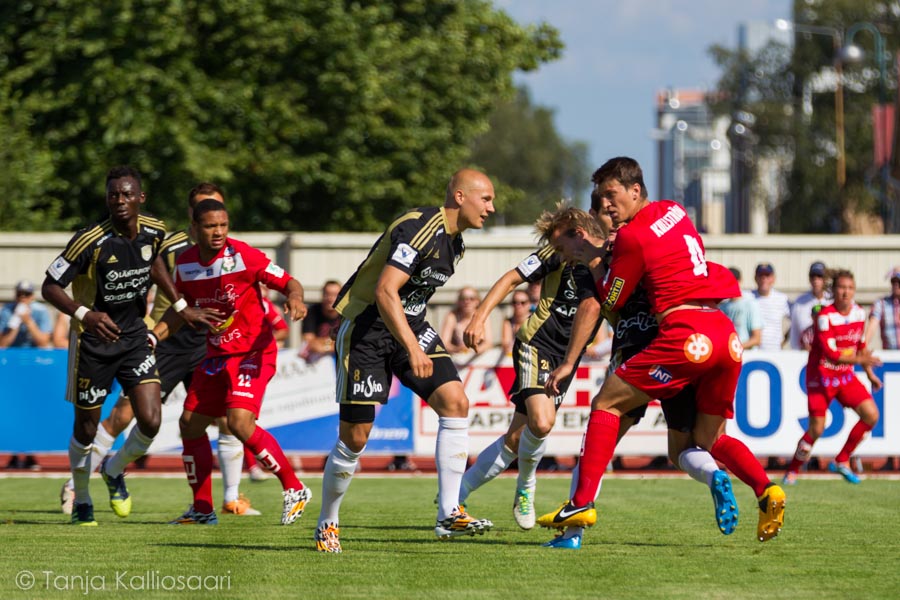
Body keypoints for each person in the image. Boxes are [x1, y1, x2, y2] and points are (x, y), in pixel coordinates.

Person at [536, 157, 785, 543]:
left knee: (606, 407)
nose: (605, 204)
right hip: (723, 335)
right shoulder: (674, 210)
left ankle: (580, 507)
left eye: (611, 194)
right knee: (707, 440)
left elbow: (612, 299)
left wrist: (598, 267)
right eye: (600, 197)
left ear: (635, 191)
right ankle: (767, 489)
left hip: (680, 337)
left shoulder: (630, 239)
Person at [57, 183, 268, 517]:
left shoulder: (233, 251)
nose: (212, 220)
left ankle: (230, 498)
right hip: (167, 341)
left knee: (227, 418)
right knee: (125, 416)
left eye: (218, 212)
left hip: (209, 345)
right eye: (204, 210)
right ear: (192, 215)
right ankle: (75, 485)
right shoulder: (166, 243)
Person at [314, 168, 496, 553]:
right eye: (486, 199)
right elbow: (384, 290)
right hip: (366, 331)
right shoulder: (419, 228)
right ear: (460, 197)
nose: (491, 209)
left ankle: (449, 512)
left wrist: (415, 339)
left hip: (408, 325)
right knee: (355, 439)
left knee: (455, 402)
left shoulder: (456, 243)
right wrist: (413, 348)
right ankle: (328, 521)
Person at [41, 165, 212, 526]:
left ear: (140, 198)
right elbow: (50, 287)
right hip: (93, 342)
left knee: (150, 421)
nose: (120, 201)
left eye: (126, 194)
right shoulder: (89, 240)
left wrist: (180, 306)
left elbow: (154, 268)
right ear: (107, 199)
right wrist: (85, 314)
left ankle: (114, 469)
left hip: (134, 338)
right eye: (113, 195)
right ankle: (83, 499)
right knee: (86, 428)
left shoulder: (155, 230)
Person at [152, 198, 311, 525]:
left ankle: (295, 488)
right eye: (211, 226)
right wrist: (153, 336)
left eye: (223, 225)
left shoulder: (244, 256)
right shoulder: (184, 264)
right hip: (216, 355)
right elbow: (179, 310)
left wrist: (294, 298)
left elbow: (288, 282)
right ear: (194, 228)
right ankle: (202, 509)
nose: (219, 232)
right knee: (190, 424)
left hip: (253, 351)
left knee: (239, 423)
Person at [458, 201, 607, 530]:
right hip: (536, 345)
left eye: (559, 244)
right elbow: (511, 278)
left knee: (516, 438)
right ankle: (526, 487)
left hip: (568, 357)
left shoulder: (609, 260)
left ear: (579, 235)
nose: (556, 251)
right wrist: (479, 318)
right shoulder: (555, 255)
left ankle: (454, 496)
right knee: (541, 422)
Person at [783, 270, 882, 485]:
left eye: (850, 288)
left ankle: (842, 459)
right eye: (841, 288)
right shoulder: (825, 317)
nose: (846, 292)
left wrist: (870, 374)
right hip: (821, 377)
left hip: (844, 377)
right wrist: (860, 361)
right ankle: (792, 470)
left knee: (871, 415)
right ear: (834, 291)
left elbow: (860, 347)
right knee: (817, 428)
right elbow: (832, 355)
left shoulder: (858, 313)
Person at [866, 267, 900, 471]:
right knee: (892, 411)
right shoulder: (881, 304)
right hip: (892, 362)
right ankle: (890, 456)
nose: (896, 286)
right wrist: (864, 350)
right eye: (894, 282)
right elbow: (871, 328)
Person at [789, 261, 832, 350]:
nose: (816, 280)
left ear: (826, 279)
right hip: (805, 353)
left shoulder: (833, 300)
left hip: (829, 354)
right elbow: (794, 332)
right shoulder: (800, 302)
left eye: (820, 276)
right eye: (813, 276)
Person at [0, 279, 53, 348]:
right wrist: (16, 322)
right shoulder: (6, 310)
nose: (23, 297)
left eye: (27, 294)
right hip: (13, 351)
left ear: (32, 296)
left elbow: (43, 343)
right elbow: (2, 345)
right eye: (19, 294)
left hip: (34, 352)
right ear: (15, 296)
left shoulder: (41, 311)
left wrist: (28, 321)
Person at [719, 267, 762, 350]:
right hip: (728, 356)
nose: (730, 284)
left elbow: (757, 339)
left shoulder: (750, 304)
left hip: (747, 356)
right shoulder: (722, 307)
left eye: (733, 281)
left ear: (740, 280)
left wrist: (735, 349)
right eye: (727, 281)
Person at [440, 286, 492, 354]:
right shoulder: (452, 316)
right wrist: (458, 349)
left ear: (477, 301)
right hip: (458, 358)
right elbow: (444, 344)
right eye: (463, 298)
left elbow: (488, 343)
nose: (467, 301)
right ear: (458, 301)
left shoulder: (483, 316)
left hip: (479, 358)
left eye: (472, 298)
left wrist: (473, 351)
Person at [300, 280, 341, 361]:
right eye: (327, 294)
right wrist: (335, 344)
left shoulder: (347, 314)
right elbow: (310, 342)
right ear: (322, 295)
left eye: (334, 295)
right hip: (317, 361)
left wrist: (324, 345)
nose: (330, 298)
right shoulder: (312, 312)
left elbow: (348, 343)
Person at [752, 262, 790, 351]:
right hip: (753, 351)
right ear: (755, 278)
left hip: (774, 350)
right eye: (761, 275)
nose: (764, 279)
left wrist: (784, 339)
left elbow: (796, 321)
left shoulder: (782, 299)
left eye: (767, 276)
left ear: (773, 278)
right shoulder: (748, 297)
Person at [500, 289, 532, 355]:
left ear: (529, 304)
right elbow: (506, 346)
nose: (518, 305)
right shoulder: (508, 322)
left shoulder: (535, 322)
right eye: (515, 302)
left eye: (523, 302)